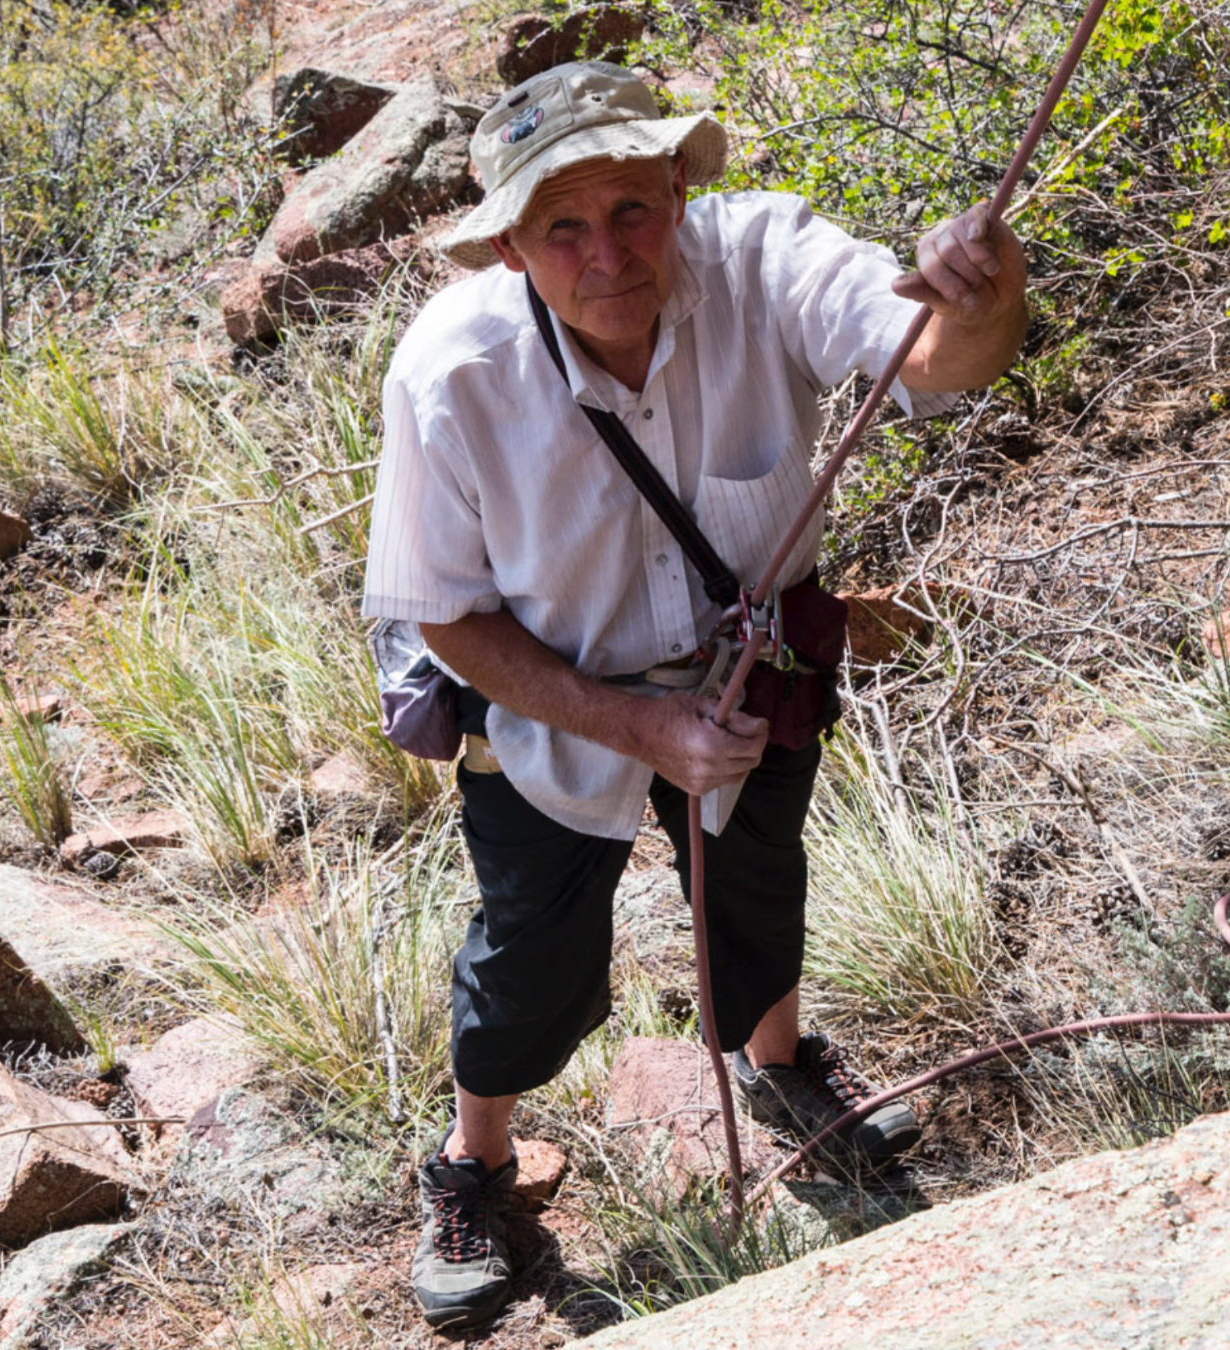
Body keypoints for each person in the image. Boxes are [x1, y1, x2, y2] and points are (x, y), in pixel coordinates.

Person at [360, 61, 1027, 1328]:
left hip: (751, 672)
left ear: (680, 187)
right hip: (554, 701)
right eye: (561, 227)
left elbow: (940, 357)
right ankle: (473, 1161)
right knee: (531, 955)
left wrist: (989, 293)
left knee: (762, 883)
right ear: (510, 244)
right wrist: (637, 726)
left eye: (630, 209)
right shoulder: (451, 374)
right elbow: (443, 613)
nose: (606, 253)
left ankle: (780, 1074)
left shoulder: (764, 254)